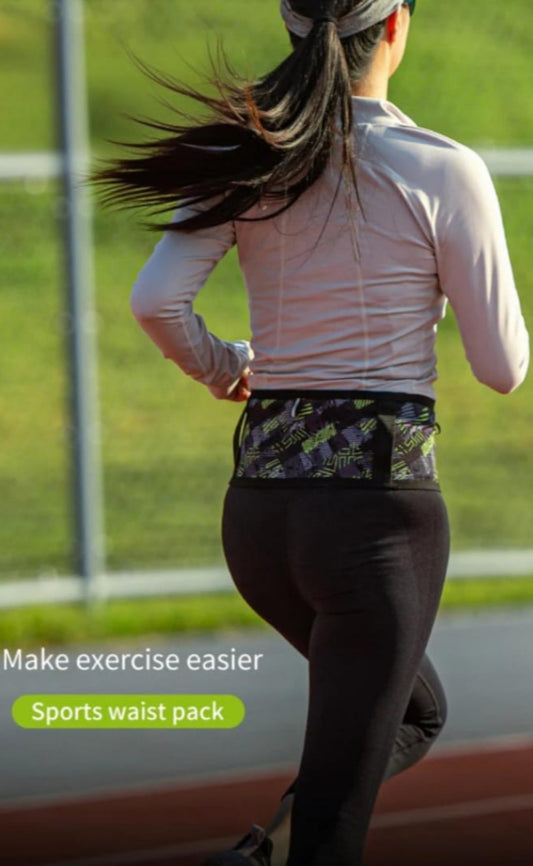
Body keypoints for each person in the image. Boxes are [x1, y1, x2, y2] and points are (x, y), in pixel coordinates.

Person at [93, 1, 529, 863]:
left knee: (413, 714)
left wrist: (224, 365)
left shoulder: (245, 154)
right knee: (337, 822)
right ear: (396, 25)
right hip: (375, 516)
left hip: (259, 516)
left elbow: (155, 302)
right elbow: (501, 366)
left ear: (291, 27)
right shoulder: (441, 167)